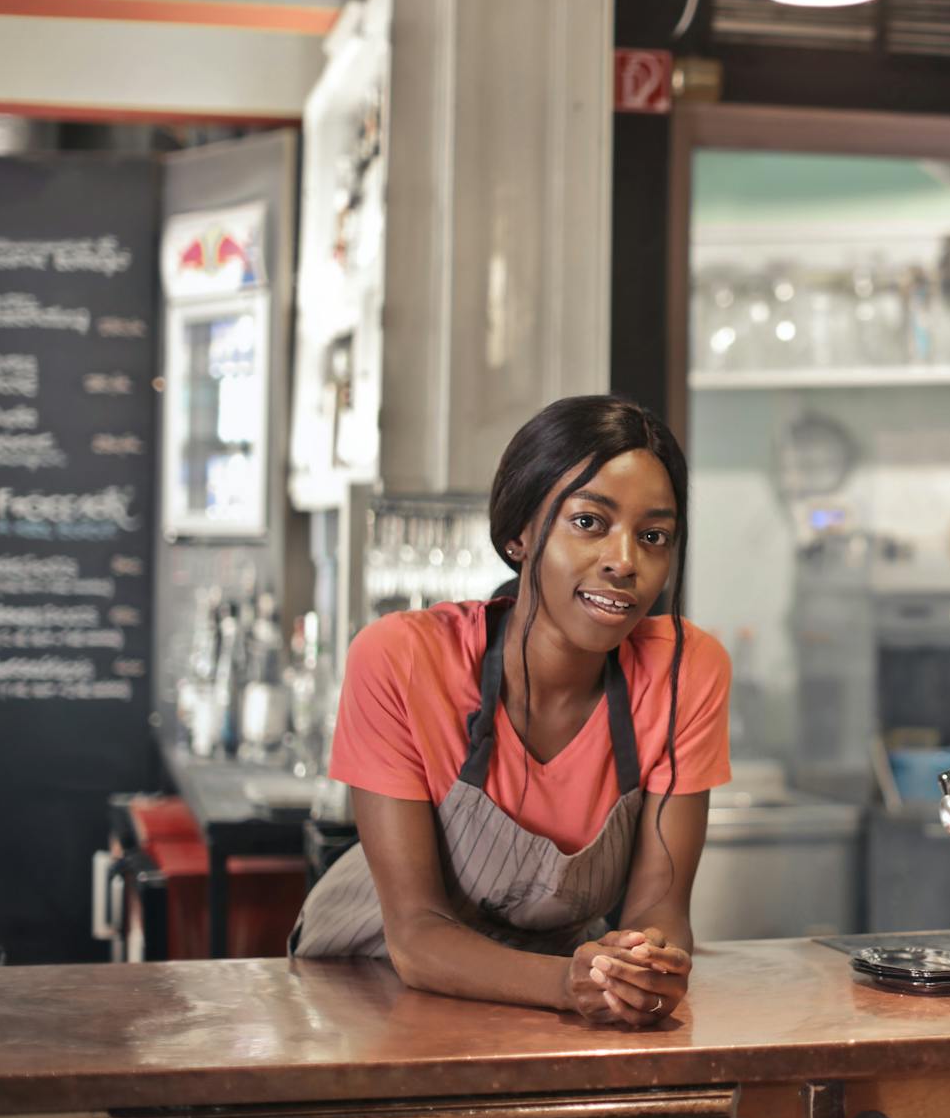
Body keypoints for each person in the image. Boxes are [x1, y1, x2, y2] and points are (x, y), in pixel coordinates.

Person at [290, 396, 730, 1028]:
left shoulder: (688, 670)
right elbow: (415, 935)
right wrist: (571, 982)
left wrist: (645, 966)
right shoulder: (402, 658)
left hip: (548, 1000)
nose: (625, 560)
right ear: (519, 534)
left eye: (653, 536)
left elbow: (660, 912)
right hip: (361, 989)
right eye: (589, 522)